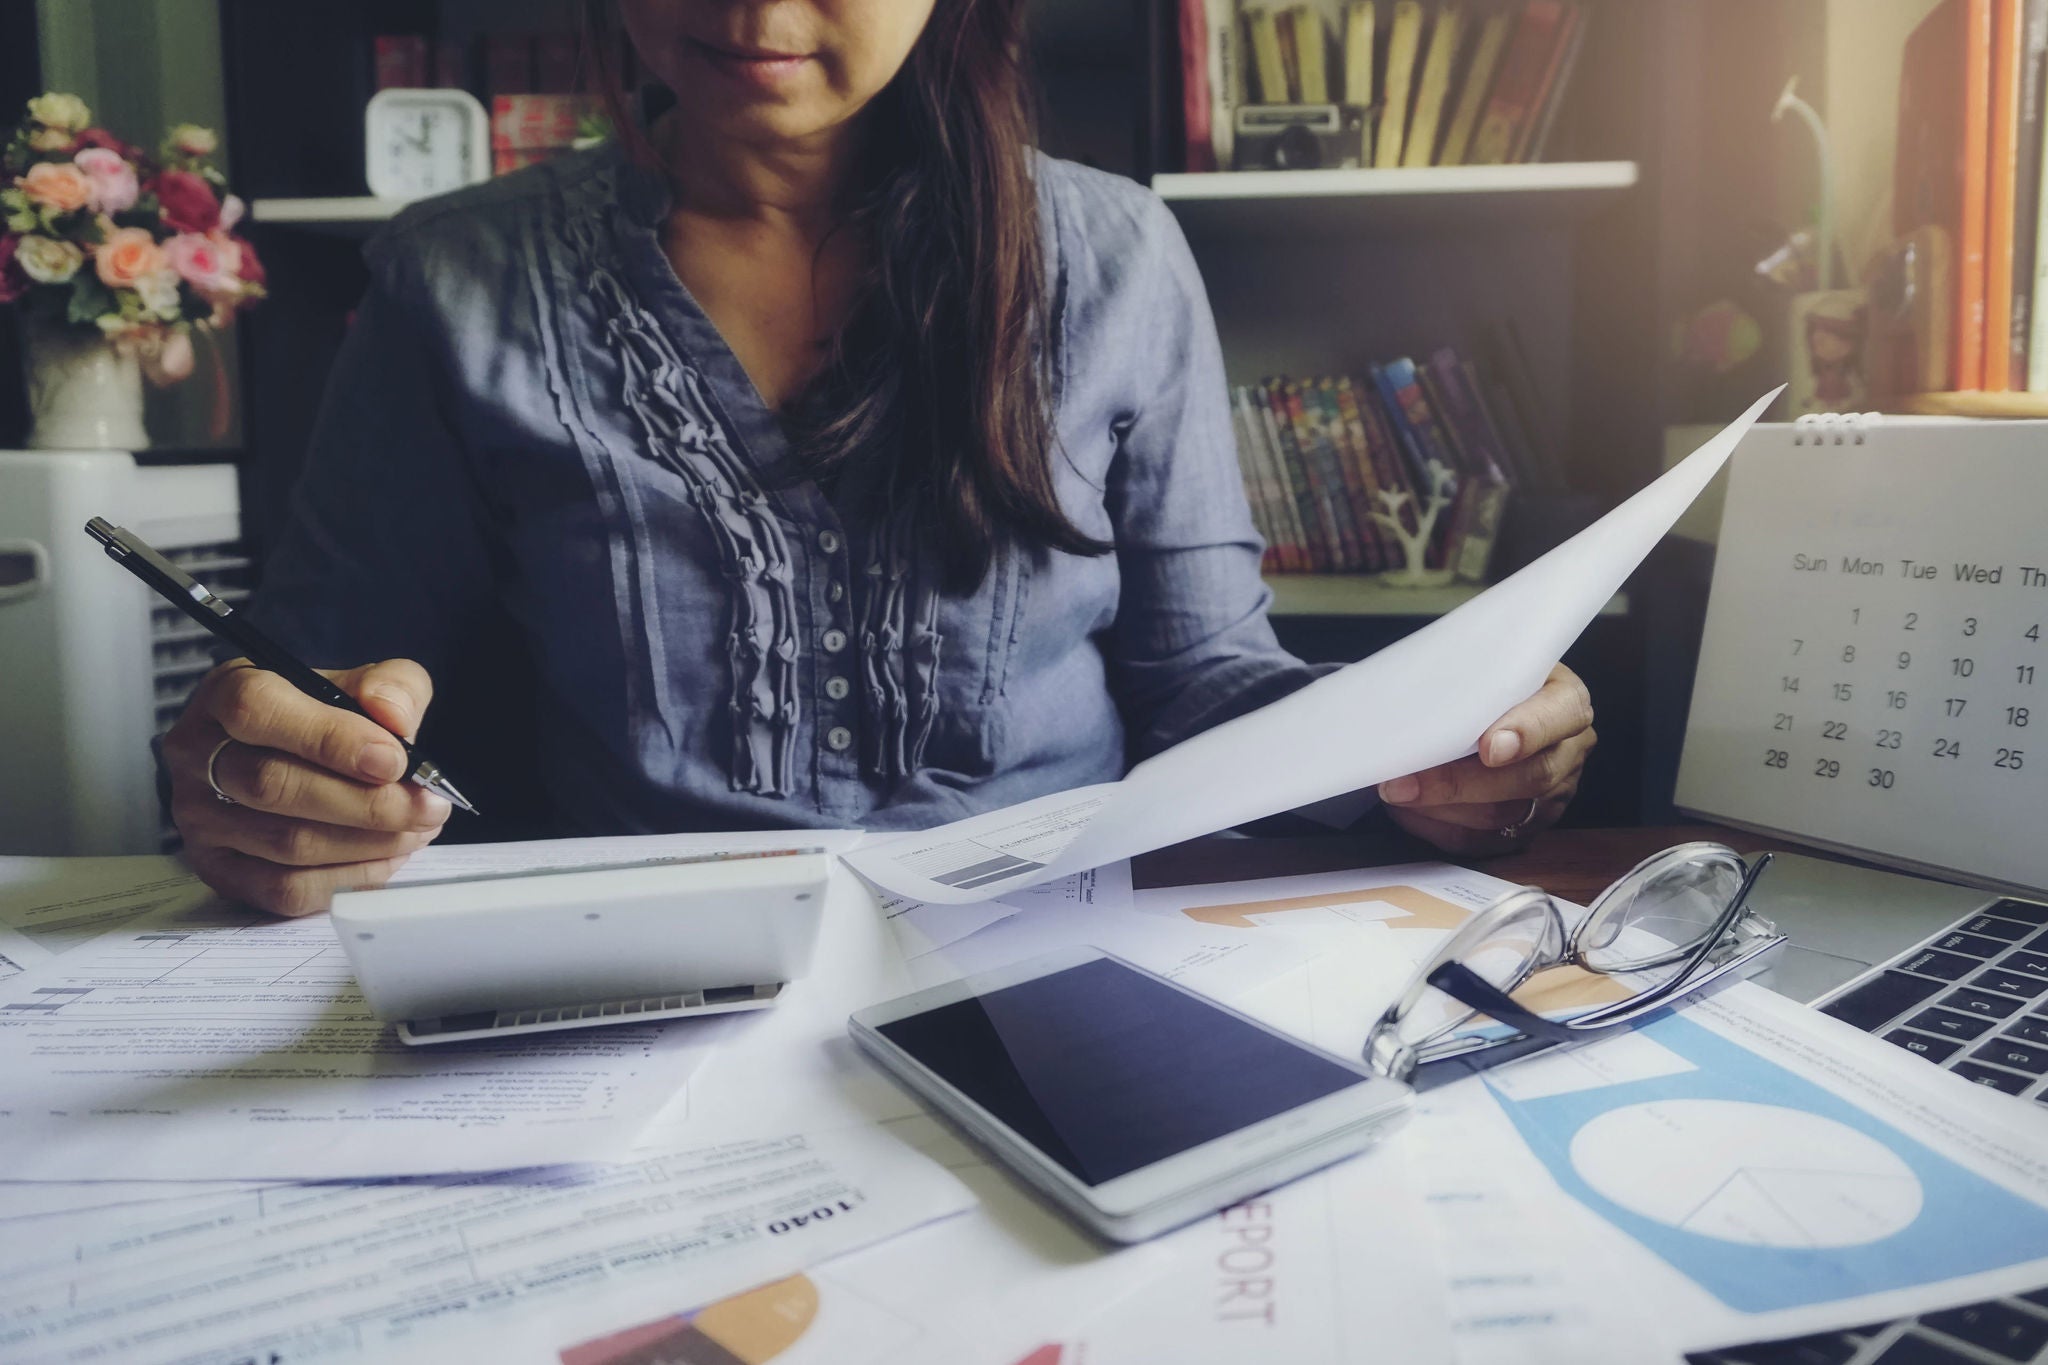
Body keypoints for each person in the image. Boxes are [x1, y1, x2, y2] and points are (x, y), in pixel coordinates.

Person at [162, 0, 1596, 917]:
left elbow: (1206, 679)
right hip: (633, 989)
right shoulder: (452, 282)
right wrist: (262, 777)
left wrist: (1439, 739)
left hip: (1056, 949)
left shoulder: (1110, 258)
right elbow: (305, 684)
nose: (756, 6)